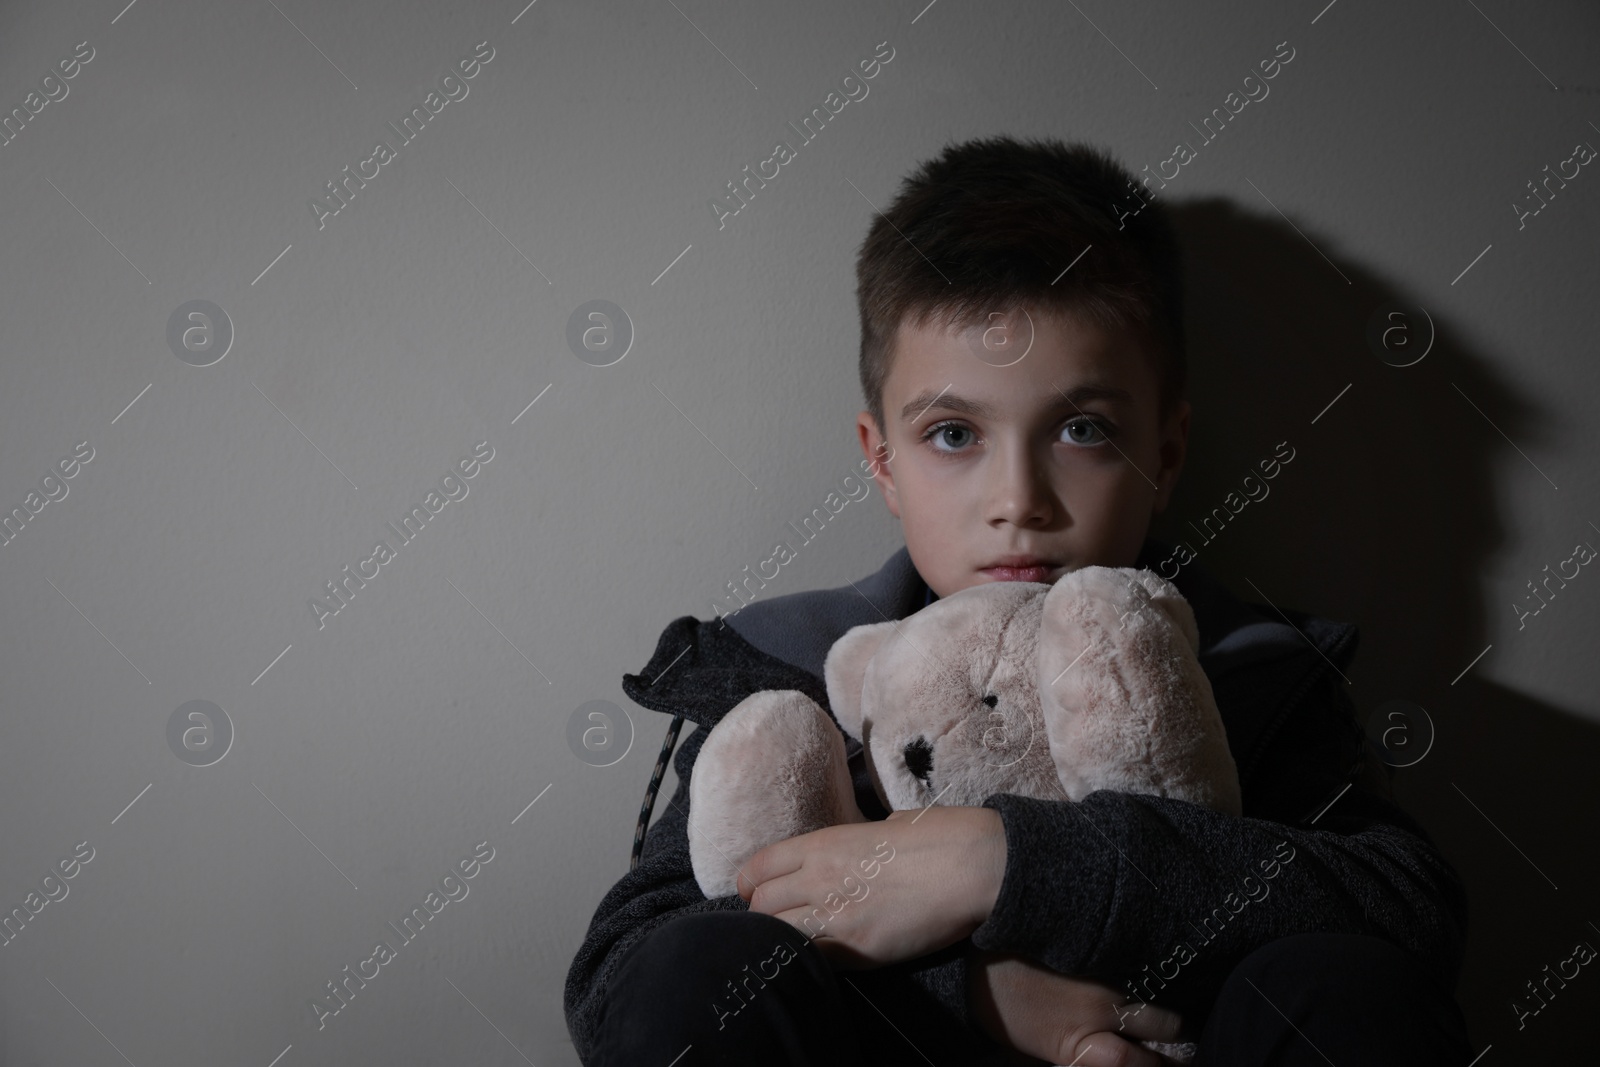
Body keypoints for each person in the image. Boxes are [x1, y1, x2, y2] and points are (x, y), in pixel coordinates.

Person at [564, 135, 1475, 1066]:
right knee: (701, 968)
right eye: (954, 432)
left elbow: (1409, 910)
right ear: (882, 460)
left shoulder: (1253, 672)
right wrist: (983, 997)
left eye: (1082, 429)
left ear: (1163, 454)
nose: (1019, 500)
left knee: (1346, 987)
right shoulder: (787, 664)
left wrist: (1001, 863)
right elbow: (625, 975)